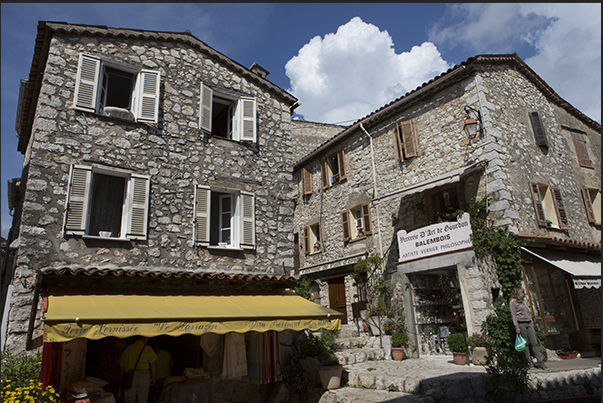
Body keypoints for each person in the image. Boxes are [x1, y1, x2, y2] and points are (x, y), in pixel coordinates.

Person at [510, 287, 546, 369]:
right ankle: (529, 362)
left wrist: (532, 324)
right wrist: (516, 326)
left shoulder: (524, 302)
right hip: (521, 323)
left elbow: (528, 313)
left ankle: (540, 361)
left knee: (534, 342)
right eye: (522, 292)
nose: (524, 294)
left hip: (529, 323)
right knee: (525, 343)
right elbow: (514, 315)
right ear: (518, 293)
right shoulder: (513, 302)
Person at [119, 336, 158, 403]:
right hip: (144, 374)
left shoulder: (128, 349)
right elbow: (153, 364)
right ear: (145, 339)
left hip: (130, 374)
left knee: (129, 398)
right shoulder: (147, 348)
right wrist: (153, 377)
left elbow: (121, 366)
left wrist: (121, 378)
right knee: (142, 398)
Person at [148, 339, 174, 403]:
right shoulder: (167, 354)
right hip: (168, 378)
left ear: (156, 346)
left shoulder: (154, 356)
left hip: (158, 379)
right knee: (166, 397)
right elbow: (172, 365)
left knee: (157, 397)